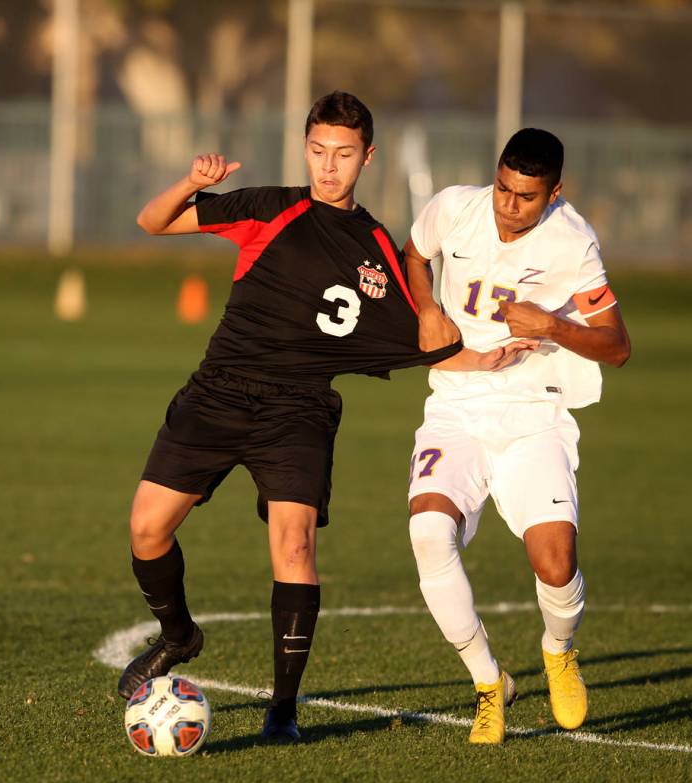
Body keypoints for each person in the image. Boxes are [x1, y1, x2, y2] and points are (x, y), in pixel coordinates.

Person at [117, 91, 530, 743]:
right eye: (317, 151)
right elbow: (152, 221)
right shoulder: (270, 208)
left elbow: (416, 340)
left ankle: (283, 710)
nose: (327, 166)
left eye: (342, 154)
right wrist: (191, 184)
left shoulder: (373, 247)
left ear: (368, 157)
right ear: (304, 148)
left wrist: (483, 359)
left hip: (299, 408)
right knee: (146, 531)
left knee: (295, 544)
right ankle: (178, 635)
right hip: (219, 391)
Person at [404, 127, 631, 745]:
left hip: (534, 412)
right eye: (503, 188)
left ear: (554, 193)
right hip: (456, 406)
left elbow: (617, 346)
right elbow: (414, 253)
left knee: (556, 565)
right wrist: (427, 307)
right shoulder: (455, 207)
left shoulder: (573, 241)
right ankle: (487, 684)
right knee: (428, 531)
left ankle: (559, 651)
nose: (508, 205)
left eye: (525, 197)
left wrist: (555, 326)